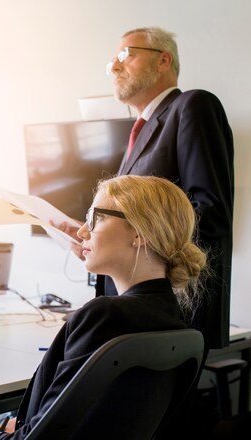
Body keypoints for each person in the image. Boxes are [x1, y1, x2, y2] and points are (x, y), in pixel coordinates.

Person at [0, 175, 207, 439]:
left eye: (96, 218)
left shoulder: (103, 316)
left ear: (140, 233)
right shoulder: (172, 318)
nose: (82, 232)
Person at [61, 27, 234, 350]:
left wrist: (135, 233)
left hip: (171, 310)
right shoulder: (138, 134)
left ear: (163, 60)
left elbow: (210, 212)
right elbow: (135, 218)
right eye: (112, 60)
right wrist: (94, 234)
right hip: (129, 308)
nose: (114, 66)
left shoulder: (192, 106)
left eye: (126, 55)